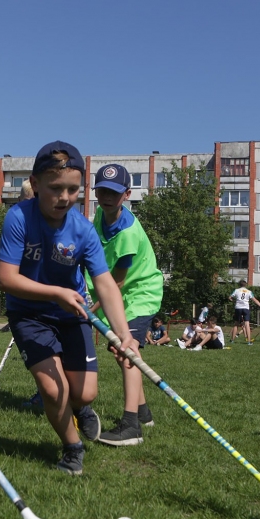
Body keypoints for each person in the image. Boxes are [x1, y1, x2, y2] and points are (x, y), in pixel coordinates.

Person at [0, 141, 136, 475]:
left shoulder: (83, 230)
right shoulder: (18, 218)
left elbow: (105, 283)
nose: (64, 197)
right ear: (36, 183)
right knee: (51, 388)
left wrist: (124, 335)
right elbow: (7, 278)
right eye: (55, 188)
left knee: (84, 393)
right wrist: (56, 293)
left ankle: (81, 409)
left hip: (72, 315)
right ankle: (72, 447)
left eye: (73, 190)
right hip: (29, 314)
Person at [87, 163, 165, 447]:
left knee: (125, 350)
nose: (107, 197)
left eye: (114, 192)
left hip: (139, 293)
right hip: (120, 294)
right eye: (102, 191)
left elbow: (116, 284)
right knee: (121, 350)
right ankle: (144, 413)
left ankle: (131, 425)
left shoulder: (128, 233)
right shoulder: (98, 215)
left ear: (127, 194)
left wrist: (88, 310)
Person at [228, 280, 260, 344]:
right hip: (246, 308)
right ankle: (249, 341)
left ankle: (232, 340)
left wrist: (232, 300)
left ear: (239, 285)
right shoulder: (249, 292)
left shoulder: (236, 290)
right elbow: (255, 300)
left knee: (236, 324)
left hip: (238, 308)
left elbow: (230, 297)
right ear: (245, 285)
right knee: (247, 324)